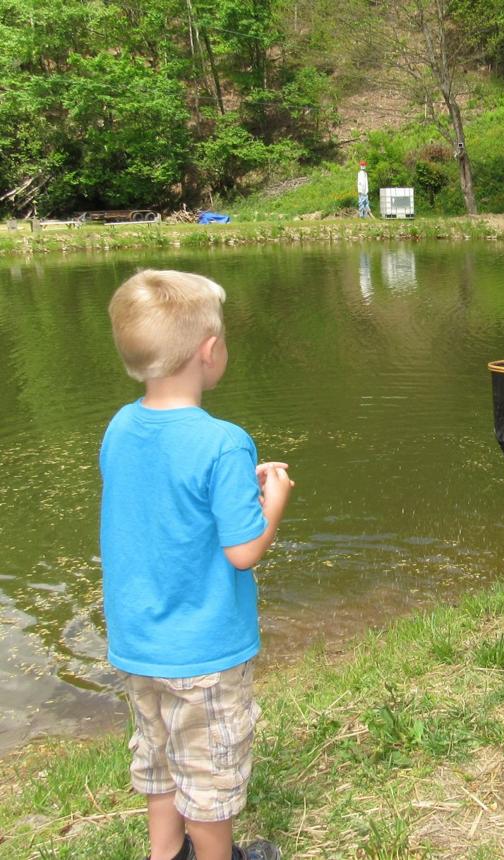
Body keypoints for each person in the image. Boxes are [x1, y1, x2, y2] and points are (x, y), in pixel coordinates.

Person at [101, 270, 294, 860]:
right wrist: (273, 501)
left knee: (159, 763)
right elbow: (243, 550)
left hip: (139, 645)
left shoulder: (119, 426)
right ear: (209, 352)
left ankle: (166, 856)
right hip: (203, 652)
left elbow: (161, 510)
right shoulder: (223, 442)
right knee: (208, 782)